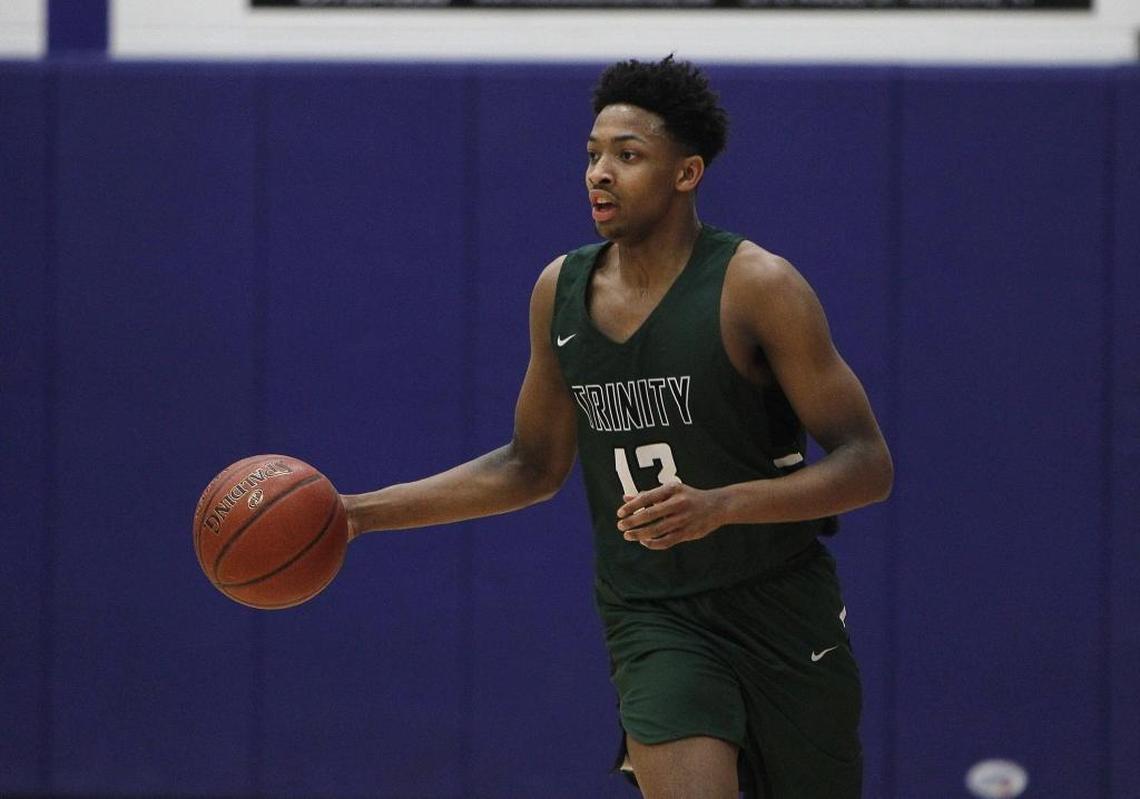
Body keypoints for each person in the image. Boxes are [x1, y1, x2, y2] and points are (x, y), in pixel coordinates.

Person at [342, 55, 893, 799]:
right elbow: (528, 466)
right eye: (593, 155)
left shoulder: (757, 286)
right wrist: (354, 515)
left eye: (627, 156)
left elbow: (867, 464)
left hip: (779, 604)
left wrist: (722, 503)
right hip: (654, 612)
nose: (599, 173)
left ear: (686, 173)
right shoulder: (559, 292)